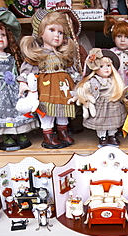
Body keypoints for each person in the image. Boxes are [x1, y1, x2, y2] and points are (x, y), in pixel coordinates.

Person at [18, 6, 82, 149]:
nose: (57, 35)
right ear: (40, 32)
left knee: (62, 111)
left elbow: (73, 71)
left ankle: (63, 132)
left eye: (60, 32)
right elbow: (26, 70)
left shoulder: (64, 55)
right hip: (46, 88)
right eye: (52, 30)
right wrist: (23, 83)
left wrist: (79, 84)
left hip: (64, 90)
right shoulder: (38, 54)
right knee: (47, 112)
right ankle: (48, 135)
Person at [0, 9, 38, 151]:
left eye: (3, 34)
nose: (0, 38)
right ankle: (7, 137)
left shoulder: (11, 57)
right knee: (3, 113)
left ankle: (21, 134)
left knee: (18, 111)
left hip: (14, 90)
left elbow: (17, 71)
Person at [75, 48, 126, 147]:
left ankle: (112, 135)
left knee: (113, 121)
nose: (106, 69)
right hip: (100, 105)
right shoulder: (94, 80)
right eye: (101, 66)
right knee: (101, 122)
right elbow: (86, 89)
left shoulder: (114, 80)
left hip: (113, 104)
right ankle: (102, 137)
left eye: (108, 66)